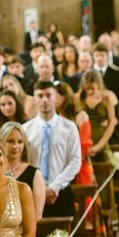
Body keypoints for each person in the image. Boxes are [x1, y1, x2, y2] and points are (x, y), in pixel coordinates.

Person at [23, 80, 81, 217]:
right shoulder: (26, 130)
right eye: (40, 96)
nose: (44, 100)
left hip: (61, 190)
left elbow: (75, 160)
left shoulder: (69, 127)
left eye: (48, 95)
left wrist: (54, 187)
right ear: (34, 99)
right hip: (33, 192)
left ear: (55, 98)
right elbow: (23, 162)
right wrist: (40, 189)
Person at [0, 122, 45, 219]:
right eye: (10, 141)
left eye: (20, 142)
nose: (15, 146)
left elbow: (37, 215)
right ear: (1, 143)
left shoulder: (34, 173)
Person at [75, 69, 117, 162]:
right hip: (82, 141)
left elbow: (111, 123)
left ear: (98, 84)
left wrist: (99, 146)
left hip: (101, 140)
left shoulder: (106, 98)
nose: (90, 91)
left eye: (92, 88)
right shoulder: (77, 98)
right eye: (87, 88)